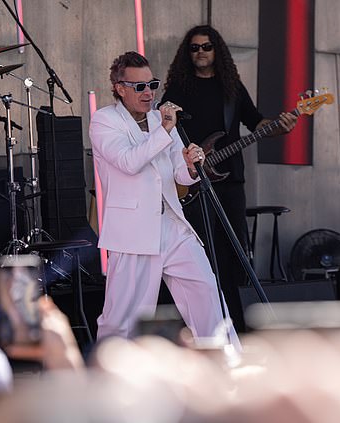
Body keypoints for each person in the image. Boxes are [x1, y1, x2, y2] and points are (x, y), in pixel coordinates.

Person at [89, 51, 239, 344]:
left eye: (152, 84)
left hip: (171, 224)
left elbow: (179, 177)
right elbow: (129, 162)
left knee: (207, 292)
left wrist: (191, 165)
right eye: (140, 86)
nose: (149, 93)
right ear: (120, 88)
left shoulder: (160, 120)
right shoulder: (104, 121)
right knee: (123, 318)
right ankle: (111, 376)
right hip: (134, 231)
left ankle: (228, 364)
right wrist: (166, 130)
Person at [162, 25, 298, 331]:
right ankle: (206, 323)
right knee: (202, 255)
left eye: (206, 47)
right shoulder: (178, 91)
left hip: (230, 181)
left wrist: (282, 125)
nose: (200, 52)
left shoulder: (231, 88)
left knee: (235, 251)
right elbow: (164, 133)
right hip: (194, 182)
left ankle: (239, 323)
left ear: (216, 50)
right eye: (194, 48)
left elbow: (256, 122)